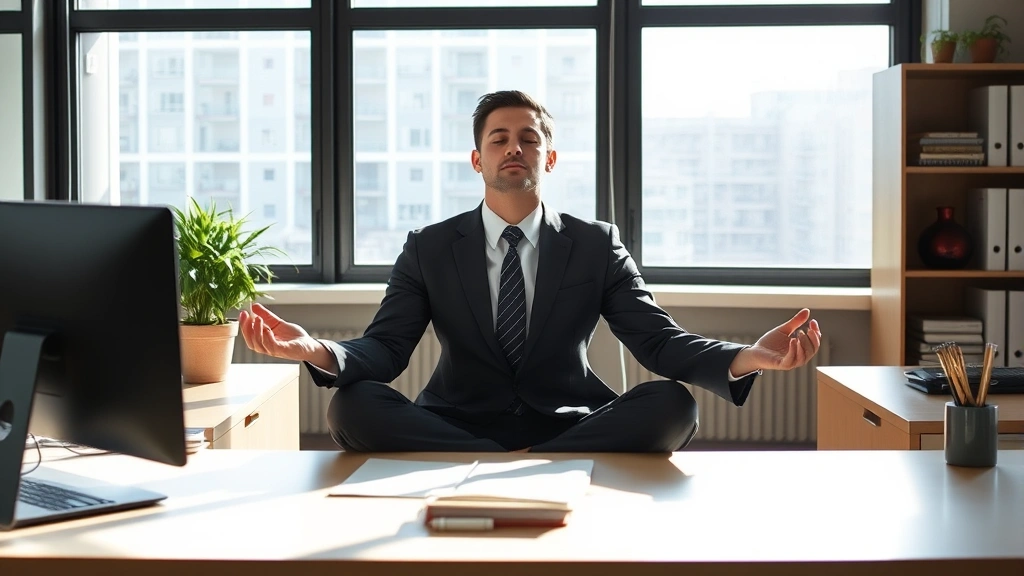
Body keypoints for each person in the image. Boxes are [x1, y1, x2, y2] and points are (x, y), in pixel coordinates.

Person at [239, 90, 822, 453]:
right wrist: (316, 349)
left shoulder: (596, 244)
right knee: (351, 406)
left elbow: (657, 341)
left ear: (549, 155)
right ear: (478, 159)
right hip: (457, 418)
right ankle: (503, 462)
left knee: (673, 406)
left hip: (569, 421)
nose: (513, 148)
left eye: (528, 138)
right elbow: (387, 348)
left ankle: (511, 462)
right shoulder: (429, 247)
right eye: (499, 139)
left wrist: (748, 357)